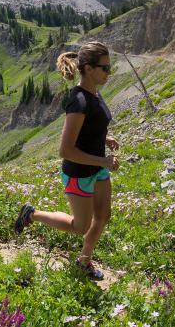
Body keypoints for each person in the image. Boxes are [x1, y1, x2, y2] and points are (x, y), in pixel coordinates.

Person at [13, 41, 120, 280]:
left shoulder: (94, 93)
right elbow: (65, 150)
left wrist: (105, 138)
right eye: (105, 68)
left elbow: (89, 129)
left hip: (96, 167)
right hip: (79, 172)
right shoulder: (79, 101)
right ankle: (32, 214)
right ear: (89, 69)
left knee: (102, 217)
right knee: (79, 226)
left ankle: (84, 261)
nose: (108, 72)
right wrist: (103, 161)